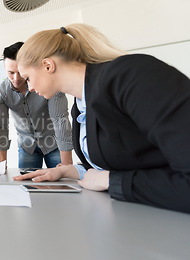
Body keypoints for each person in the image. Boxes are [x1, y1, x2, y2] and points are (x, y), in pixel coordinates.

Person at [14, 23, 190, 214]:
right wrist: (68, 171)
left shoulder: (129, 75)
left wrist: (109, 181)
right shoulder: (80, 105)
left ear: (48, 65)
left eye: (27, 78)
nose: (28, 87)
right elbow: (114, 161)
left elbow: (111, 174)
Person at [0, 42, 73, 168]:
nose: (16, 78)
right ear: (4, 68)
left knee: (63, 183)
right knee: (29, 186)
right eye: (10, 73)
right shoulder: (1, 93)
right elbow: (1, 127)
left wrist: (67, 164)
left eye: (20, 72)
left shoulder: (49, 83)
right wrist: (3, 163)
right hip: (27, 146)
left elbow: (60, 120)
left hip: (54, 143)